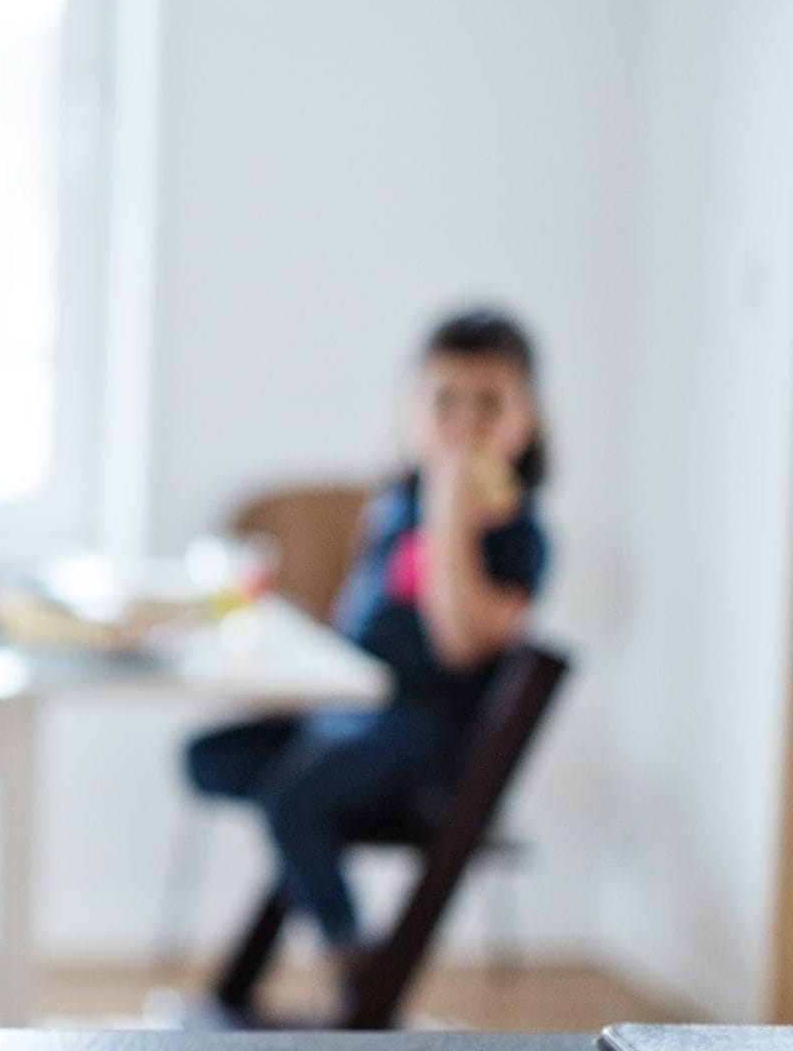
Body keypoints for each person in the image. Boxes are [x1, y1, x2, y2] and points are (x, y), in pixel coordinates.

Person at [185, 308, 551, 984]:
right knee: (211, 759)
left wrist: (452, 514)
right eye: (446, 401)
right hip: (349, 715)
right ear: (411, 410)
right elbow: (360, 622)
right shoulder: (394, 503)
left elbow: (460, 642)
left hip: (426, 738)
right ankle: (311, 930)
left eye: (489, 403)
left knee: (293, 795)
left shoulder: (515, 533)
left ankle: (354, 960)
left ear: (527, 422)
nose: (465, 424)